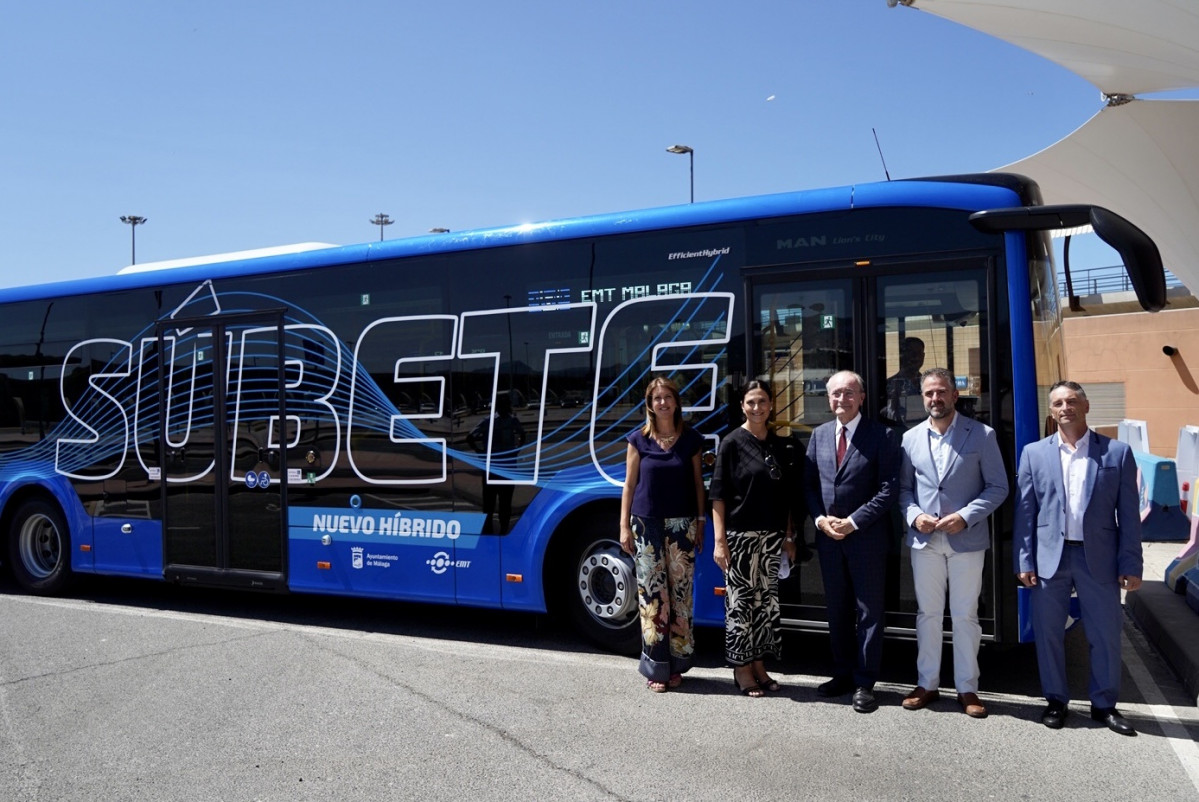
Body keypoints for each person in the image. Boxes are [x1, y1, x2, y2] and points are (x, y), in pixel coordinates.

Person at [1014, 381, 1143, 735]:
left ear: (1086, 406)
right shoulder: (1033, 453)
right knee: (1049, 633)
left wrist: (1131, 564)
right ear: (1051, 411)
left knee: (1104, 634)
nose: (1065, 407)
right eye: (1058, 403)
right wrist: (1024, 560)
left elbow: (1129, 516)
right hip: (1048, 559)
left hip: (1098, 558)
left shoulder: (1116, 453)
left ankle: (1105, 706)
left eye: (1072, 401)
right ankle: (1056, 701)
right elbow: (1025, 512)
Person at [899, 368, 1009, 718]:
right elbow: (903, 491)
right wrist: (915, 515)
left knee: (965, 616)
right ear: (923, 397)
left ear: (954, 395)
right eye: (929, 393)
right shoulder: (910, 438)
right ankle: (927, 683)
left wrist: (966, 516)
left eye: (942, 392)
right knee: (928, 615)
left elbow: (998, 487)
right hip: (925, 540)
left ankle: (967, 688)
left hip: (967, 539)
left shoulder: (982, 434)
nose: (936, 399)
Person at [804, 370, 900, 713]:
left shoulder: (883, 436)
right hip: (829, 540)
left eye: (848, 393)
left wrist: (853, 522)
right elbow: (810, 486)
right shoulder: (818, 436)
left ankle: (864, 682)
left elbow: (888, 489)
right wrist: (820, 520)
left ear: (861, 397)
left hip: (867, 540)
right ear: (828, 400)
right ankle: (842, 673)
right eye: (835, 395)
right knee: (838, 610)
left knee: (869, 612)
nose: (841, 400)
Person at [710, 380, 804, 697]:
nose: (757, 407)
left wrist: (789, 535)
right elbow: (719, 496)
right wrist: (719, 541)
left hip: (771, 539)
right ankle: (741, 668)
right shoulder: (731, 443)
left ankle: (759, 665)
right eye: (751, 402)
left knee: (765, 606)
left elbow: (787, 498)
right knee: (740, 606)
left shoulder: (779, 445)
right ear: (742, 406)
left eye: (762, 401)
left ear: (771, 405)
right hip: (740, 538)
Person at [619, 377, 706, 693]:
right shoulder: (637, 440)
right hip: (646, 524)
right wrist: (624, 526)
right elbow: (629, 485)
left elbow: (698, 484)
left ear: (676, 402)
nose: (663, 403)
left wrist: (700, 521)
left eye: (668, 397)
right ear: (650, 404)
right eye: (657, 398)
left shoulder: (691, 440)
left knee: (680, 596)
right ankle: (656, 667)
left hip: (682, 525)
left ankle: (678, 665)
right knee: (653, 598)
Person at [466, 393, 526, 534]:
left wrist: (517, 449)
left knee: (505, 502)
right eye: (504, 404)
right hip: (492, 468)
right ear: (499, 406)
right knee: (489, 503)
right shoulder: (488, 421)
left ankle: (504, 530)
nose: (506, 407)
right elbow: (470, 437)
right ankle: (488, 531)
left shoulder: (513, 421)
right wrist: (479, 452)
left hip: (507, 468)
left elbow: (522, 434)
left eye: (507, 404)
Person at [882, 336, 926, 427]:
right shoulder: (889, 385)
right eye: (911, 352)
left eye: (919, 353)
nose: (916, 357)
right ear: (902, 355)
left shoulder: (928, 384)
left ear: (923, 356)